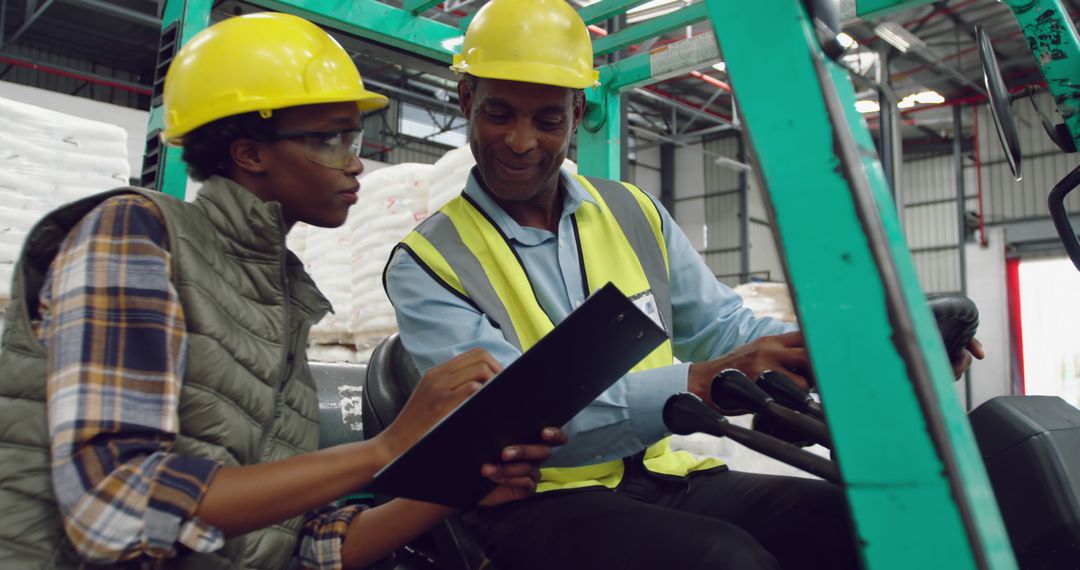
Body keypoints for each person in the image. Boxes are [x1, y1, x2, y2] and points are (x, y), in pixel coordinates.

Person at [383, 1, 982, 568]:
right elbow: (505, 422)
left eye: (547, 119)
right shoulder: (429, 260)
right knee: (724, 561)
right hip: (532, 499)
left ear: (576, 115)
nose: (520, 141)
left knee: (851, 524)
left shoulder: (634, 212)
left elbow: (728, 327)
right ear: (466, 100)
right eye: (499, 114)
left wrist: (866, 357)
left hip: (663, 472)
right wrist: (696, 385)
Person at [0, 12, 565, 569]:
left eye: (354, 136)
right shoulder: (135, 235)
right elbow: (115, 509)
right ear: (249, 152)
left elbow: (301, 546)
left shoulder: (280, 297)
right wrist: (387, 447)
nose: (356, 163)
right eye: (330, 139)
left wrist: (458, 487)